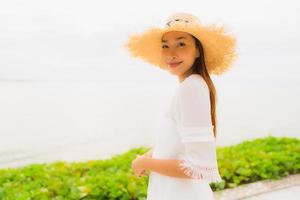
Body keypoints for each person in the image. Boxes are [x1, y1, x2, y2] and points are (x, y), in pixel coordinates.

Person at [124, 12, 237, 200]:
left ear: (198, 50)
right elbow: (177, 145)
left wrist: (146, 163)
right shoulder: (192, 86)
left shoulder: (191, 88)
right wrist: (150, 156)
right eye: (165, 45)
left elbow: (198, 167)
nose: (171, 53)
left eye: (181, 43)